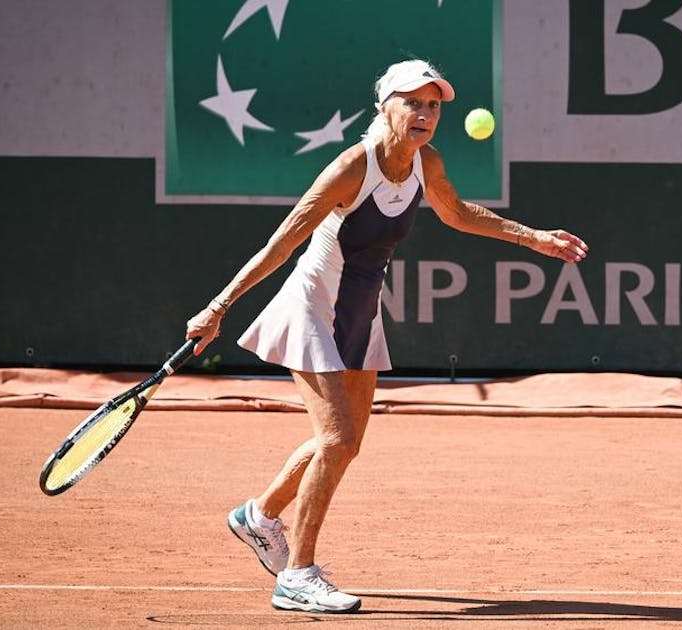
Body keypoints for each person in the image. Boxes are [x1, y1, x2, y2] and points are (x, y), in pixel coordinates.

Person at [185, 59, 589, 614]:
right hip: (313, 309)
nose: (424, 114)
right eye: (412, 102)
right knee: (336, 440)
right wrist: (218, 305)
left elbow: (458, 212)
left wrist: (532, 238)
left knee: (346, 442)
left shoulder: (427, 162)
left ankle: (258, 516)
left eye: (433, 105)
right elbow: (283, 243)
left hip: (360, 313)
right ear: (385, 107)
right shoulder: (354, 167)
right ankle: (296, 576)